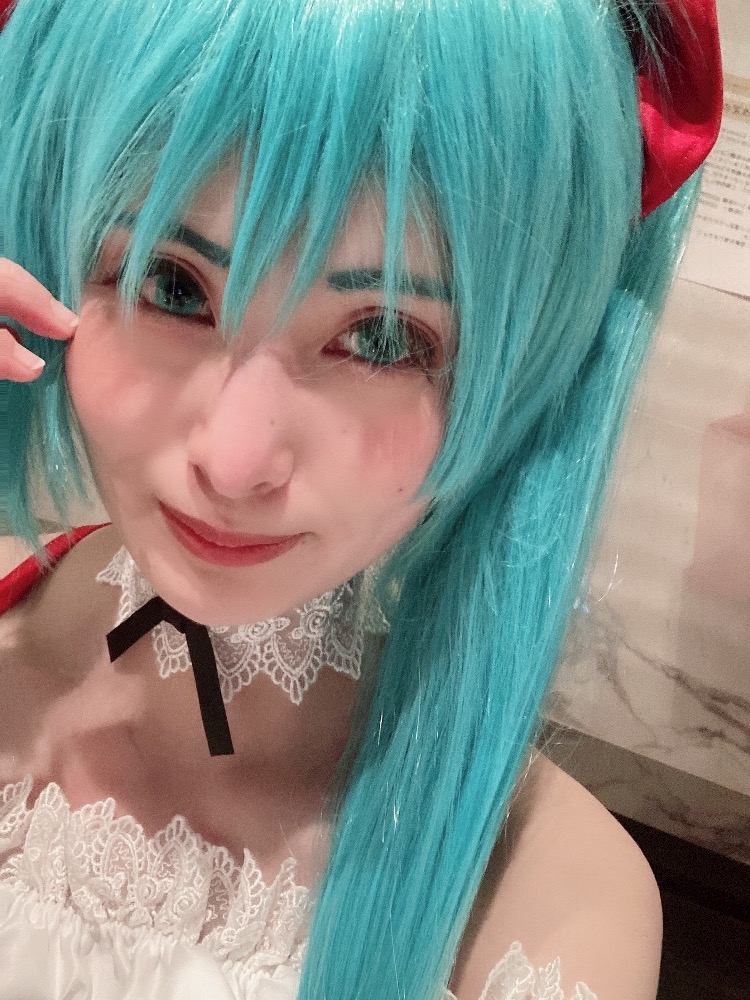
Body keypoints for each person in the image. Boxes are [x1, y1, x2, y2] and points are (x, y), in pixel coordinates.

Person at [0, 0, 721, 998]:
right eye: (171, 283)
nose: (235, 461)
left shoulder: (545, 906)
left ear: (521, 374)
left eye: (382, 338)